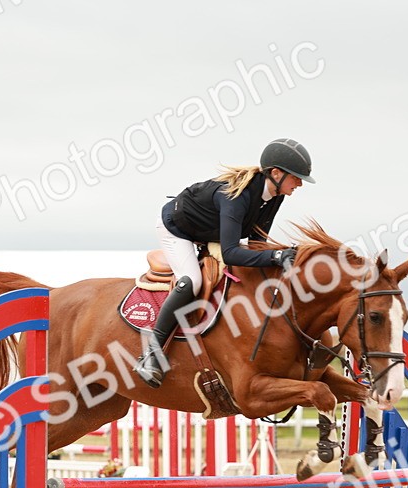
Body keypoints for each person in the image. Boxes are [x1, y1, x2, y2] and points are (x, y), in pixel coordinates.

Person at [134, 137, 315, 388]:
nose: (299, 184)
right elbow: (230, 253)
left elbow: (256, 244)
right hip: (178, 229)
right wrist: (275, 256)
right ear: (275, 173)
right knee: (191, 281)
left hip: (211, 233)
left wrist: (282, 257)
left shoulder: (275, 195)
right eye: (296, 178)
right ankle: (152, 353)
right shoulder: (236, 196)